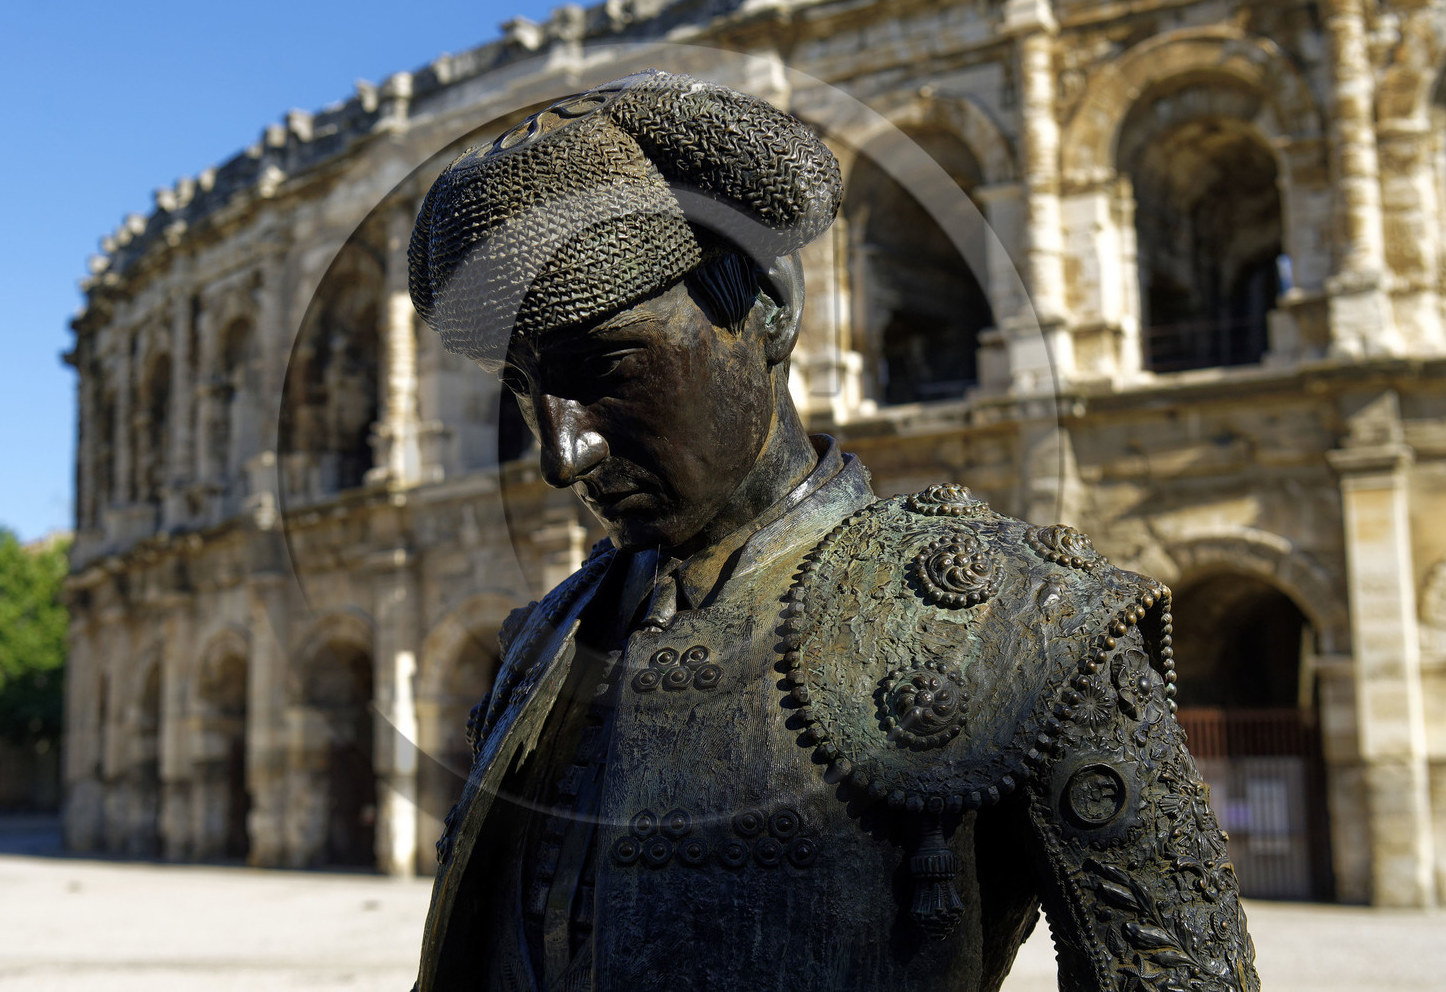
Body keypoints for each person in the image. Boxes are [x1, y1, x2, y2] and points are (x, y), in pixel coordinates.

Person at [406, 70, 1258, 991]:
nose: (560, 458)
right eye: (525, 394)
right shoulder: (545, 641)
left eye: (604, 367)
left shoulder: (1025, 625)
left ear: (771, 310)